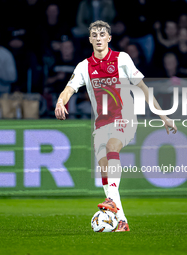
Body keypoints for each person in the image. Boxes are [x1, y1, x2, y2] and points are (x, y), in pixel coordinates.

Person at [55, 20, 177, 232]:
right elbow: (69, 88)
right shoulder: (84, 66)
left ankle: (111, 201)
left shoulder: (122, 59)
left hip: (124, 117)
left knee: (112, 147)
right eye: (95, 35)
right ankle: (121, 220)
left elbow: (143, 88)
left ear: (109, 38)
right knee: (104, 168)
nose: (99, 38)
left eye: (103, 34)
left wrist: (163, 115)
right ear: (90, 39)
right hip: (101, 123)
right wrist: (60, 101)